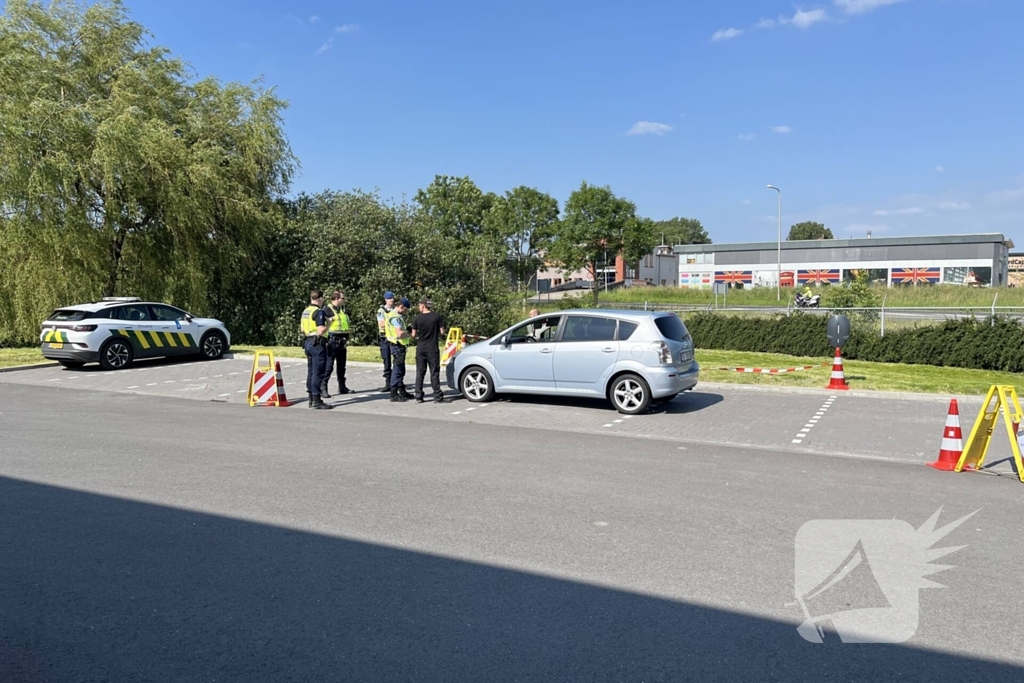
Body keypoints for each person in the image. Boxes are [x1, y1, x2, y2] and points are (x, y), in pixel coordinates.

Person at [299, 289, 333, 410]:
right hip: (317, 344)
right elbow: (320, 331)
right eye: (322, 298)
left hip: (308, 342)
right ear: (320, 298)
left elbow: (302, 329)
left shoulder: (305, 311)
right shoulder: (319, 312)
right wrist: (329, 323)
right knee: (318, 372)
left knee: (311, 371)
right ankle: (317, 400)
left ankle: (311, 399)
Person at [411, 298, 447, 403]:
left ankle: (418, 395)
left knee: (420, 372)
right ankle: (437, 395)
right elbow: (442, 331)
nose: (418, 307)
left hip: (421, 348)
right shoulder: (437, 317)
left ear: (423, 305)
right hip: (432, 348)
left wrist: (418, 335)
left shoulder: (417, 318)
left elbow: (413, 334)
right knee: (434, 372)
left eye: (419, 305)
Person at [323, 290, 352, 397]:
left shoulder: (341, 310)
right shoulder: (327, 309)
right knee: (329, 365)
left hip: (342, 340)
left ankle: (342, 386)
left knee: (342, 365)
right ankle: (323, 387)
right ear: (336, 299)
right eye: (343, 298)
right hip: (332, 340)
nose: (344, 300)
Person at [384, 297, 413, 402]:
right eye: (406, 309)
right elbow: (400, 334)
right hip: (397, 345)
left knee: (401, 369)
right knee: (398, 369)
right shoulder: (395, 318)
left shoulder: (391, 315)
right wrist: (409, 331)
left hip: (396, 345)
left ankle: (401, 390)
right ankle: (394, 393)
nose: (406, 312)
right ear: (401, 306)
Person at [376, 291, 395, 393]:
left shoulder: (395, 310)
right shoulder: (381, 311)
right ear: (385, 299)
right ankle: (388, 382)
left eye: (392, 298)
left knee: (397, 360)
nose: (391, 300)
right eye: (389, 298)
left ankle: (397, 381)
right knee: (386, 360)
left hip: (394, 338)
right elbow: (382, 324)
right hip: (385, 338)